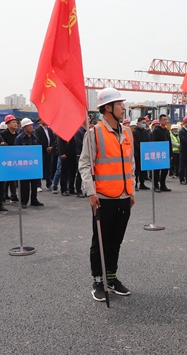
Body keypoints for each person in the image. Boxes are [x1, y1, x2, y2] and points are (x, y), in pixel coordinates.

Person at [79, 88, 135, 300]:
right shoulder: (94, 133)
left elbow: (131, 164)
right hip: (103, 198)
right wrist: (90, 193)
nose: (123, 107)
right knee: (100, 241)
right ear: (108, 108)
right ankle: (98, 281)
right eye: (119, 103)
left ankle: (111, 277)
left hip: (123, 196)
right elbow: (84, 164)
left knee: (116, 241)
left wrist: (131, 189)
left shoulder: (128, 132)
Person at [14, 118, 43, 208]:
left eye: (31, 125)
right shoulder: (19, 138)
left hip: (33, 164)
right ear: (24, 127)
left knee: (34, 184)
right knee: (24, 185)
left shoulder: (34, 137)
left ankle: (34, 200)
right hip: (24, 164)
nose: (31, 127)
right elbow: (17, 152)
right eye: (29, 125)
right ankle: (24, 201)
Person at [0, 115, 20, 202]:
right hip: (6, 159)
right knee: (5, 180)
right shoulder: (3, 135)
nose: (15, 124)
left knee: (14, 179)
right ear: (8, 124)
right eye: (13, 122)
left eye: (16, 122)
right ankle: (3, 196)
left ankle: (13, 196)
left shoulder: (18, 134)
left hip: (15, 160)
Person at [35, 119, 56, 192]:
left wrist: (51, 147)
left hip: (49, 152)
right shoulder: (37, 130)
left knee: (48, 168)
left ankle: (49, 184)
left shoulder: (49, 130)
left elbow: (53, 140)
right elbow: (39, 140)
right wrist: (46, 147)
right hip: (42, 151)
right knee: (40, 168)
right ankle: (38, 185)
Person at [152, 114, 172, 192]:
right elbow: (153, 142)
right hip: (158, 153)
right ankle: (156, 185)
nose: (165, 121)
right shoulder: (156, 130)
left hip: (166, 153)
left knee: (165, 170)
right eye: (164, 120)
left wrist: (170, 154)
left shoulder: (167, 131)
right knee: (156, 171)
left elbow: (169, 142)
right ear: (160, 121)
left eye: (166, 119)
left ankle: (163, 185)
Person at [57, 131, 78, 197]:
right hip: (65, 154)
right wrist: (62, 153)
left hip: (73, 153)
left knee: (73, 172)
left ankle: (71, 188)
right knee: (64, 172)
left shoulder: (74, 131)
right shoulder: (62, 132)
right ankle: (63, 189)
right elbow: (60, 143)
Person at [132, 118, 150, 190]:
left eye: (145, 122)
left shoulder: (145, 132)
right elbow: (134, 143)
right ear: (138, 123)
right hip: (137, 153)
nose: (144, 124)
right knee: (136, 170)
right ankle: (135, 184)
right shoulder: (134, 132)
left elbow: (147, 141)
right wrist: (141, 149)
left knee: (143, 169)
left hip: (144, 153)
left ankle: (142, 183)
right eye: (143, 122)